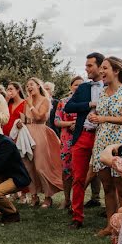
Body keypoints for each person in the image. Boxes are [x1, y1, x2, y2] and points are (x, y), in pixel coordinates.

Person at [88, 56, 122, 235]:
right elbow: (100, 115)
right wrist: (93, 118)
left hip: (119, 143)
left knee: (121, 187)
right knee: (106, 186)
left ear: (116, 71)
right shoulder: (102, 92)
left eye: (105, 68)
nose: (101, 72)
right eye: (100, 68)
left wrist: (103, 118)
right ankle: (110, 225)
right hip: (101, 141)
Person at [63, 52, 106, 228]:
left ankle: (113, 217)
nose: (86, 69)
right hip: (83, 135)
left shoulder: (110, 87)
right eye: (86, 65)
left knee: (109, 178)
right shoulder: (83, 88)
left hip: (103, 136)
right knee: (78, 177)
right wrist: (89, 104)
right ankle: (77, 217)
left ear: (100, 66)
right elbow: (68, 106)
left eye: (90, 65)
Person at [20, 77, 65, 208]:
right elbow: (23, 117)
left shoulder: (45, 100)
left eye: (31, 85)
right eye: (27, 85)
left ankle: (47, 196)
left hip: (40, 132)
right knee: (28, 167)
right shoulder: (26, 102)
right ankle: (33, 195)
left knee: (40, 167)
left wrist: (30, 105)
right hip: (27, 133)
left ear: (38, 86)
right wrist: (20, 121)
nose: (29, 87)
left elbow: (40, 117)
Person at [54, 76, 84, 210]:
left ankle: (78, 201)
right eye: (75, 85)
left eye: (80, 85)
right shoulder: (63, 102)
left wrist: (78, 124)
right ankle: (66, 199)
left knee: (80, 171)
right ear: (70, 87)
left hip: (82, 137)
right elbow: (56, 121)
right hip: (66, 140)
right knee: (66, 170)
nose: (78, 87)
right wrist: (70, 123)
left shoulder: (87, 102)